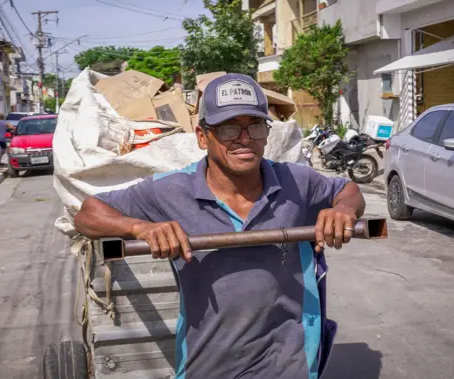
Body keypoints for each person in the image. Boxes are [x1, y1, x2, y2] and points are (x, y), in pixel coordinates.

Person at [74, 73, 366, 378]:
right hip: (208, 365)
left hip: (290, 364)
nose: (244, 139)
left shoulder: (297, 181)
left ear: (266, 134)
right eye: (228, 128)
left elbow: (348, 191)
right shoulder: (172, 190)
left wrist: (343, 209)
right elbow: (88, 213)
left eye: (254, 126)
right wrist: (139, 228)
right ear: (202, 137)